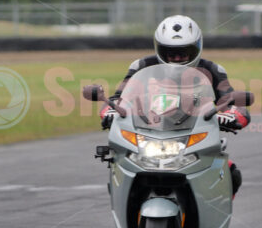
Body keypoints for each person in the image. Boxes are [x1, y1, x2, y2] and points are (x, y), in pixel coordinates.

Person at [100, 15, 250, 200]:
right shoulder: (141, 66)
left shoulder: (212, 70)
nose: (177, 58)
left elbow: (233, 102)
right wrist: (110, 110)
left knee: (230, 173)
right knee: (119, 165)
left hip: (194, 138)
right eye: (171, 53)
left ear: (196, 48)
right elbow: (118, 99)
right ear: (160, 50)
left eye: (183, 53)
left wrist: (232, 115)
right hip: (147, 135)